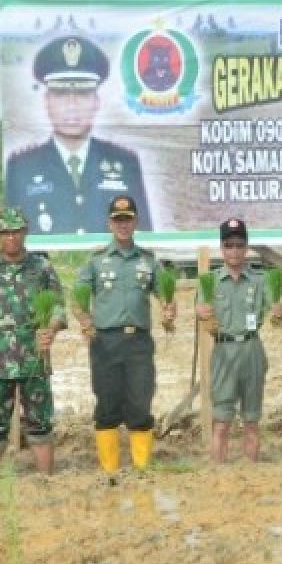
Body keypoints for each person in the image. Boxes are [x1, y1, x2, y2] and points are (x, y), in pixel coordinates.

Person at [5, 36, 150, 235]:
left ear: (96, 101)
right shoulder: (21, 167)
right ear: (47, 102)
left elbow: (145, 237)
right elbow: (11, 240)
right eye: (61, 93)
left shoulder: (125, 163)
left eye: (82, 94)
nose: (71, 105)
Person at [0, 208, 67, 481]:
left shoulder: (42, 269)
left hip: (35, 359)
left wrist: (51, 330)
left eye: (16, 231)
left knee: (40, 421)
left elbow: (58, 308)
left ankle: (45, 479)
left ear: (25, 232)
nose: (11, 237)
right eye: (5, 232)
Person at [75, 196, 175, 479]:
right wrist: (84, 319)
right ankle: (110, 472)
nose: (123, 225)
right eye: (117, 220)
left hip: (138, 343)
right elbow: (78, 299)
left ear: (136, 222)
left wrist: (168, 309)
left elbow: (164, 294)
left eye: (127, 219)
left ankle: (141, 470)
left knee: (140, 403)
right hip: (105, 343)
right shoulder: (96, 261)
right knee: (107, 405)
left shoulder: (149, 260)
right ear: (109, 223)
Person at [196, 218, 282, 463]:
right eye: (229, 245)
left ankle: (251, 472)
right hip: (224, 351)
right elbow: (201, 310)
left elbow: (274, 308)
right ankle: (219, 473)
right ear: (222, 248)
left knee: (252, 422)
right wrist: (200, 313)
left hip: (251, 348)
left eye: (239, 244)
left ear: (246, 247)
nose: (234, 250)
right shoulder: (210, 281)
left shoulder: (260, 279)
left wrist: (278, 312)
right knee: (221, 422)